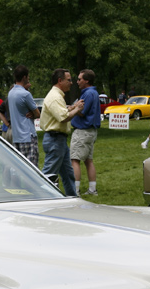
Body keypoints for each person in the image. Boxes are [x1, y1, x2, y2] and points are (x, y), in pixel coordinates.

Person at [40, 68, 84, 196]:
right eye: (69, 80)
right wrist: (77, 109)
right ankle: (41, 197)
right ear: (60, 80)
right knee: (49, 174)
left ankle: (72, 198)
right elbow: (63, 117)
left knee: (68, 174)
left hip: (59, 140)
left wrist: (71, 108)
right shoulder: (54, 97)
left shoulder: (57, 96)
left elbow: (61, 113)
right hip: (55, 139)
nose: (71, 83)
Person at [70, 68, 101, 196]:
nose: (77, 81)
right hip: (91, 131)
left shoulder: (88, 93)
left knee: (74, 159)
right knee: (89, 160)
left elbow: (82, 112)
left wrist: (74, 107)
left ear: (87, 80)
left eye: (79, 79)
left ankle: (75, 191)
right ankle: (92, 189)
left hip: (82, 131)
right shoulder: (93, 93)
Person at [7, 64, 42, 166]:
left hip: (16, 136)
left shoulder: (11, 93)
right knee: (32, 169)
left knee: (18, 169)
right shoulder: (25, 94)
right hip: (28, 135)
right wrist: (33, 113)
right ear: (24, 77)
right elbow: (37, 114)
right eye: (28, 77)